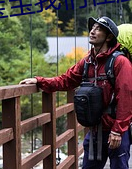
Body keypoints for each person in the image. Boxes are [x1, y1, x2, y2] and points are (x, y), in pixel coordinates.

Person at [19, 16, 132, 169]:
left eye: (98, 29)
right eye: (92, 28)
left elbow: (126, 97)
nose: (92, 31)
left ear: (109, 37)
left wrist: (118, 131)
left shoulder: (120, 62)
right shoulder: (87, 62)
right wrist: (39, 81)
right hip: (95, 130)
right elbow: (66, 80)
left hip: (115, 130)